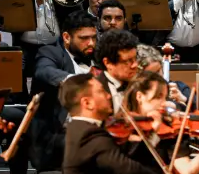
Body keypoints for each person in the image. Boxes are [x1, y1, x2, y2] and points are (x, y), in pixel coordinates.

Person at [30, 10, 98, 172]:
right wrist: (73, 80)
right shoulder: (50, 52)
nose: (91, 43)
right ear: (67, 37)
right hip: (57, 136)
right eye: (84, 38)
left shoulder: (98, 56)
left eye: (93, 38)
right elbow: (43, 70)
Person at [126, 71, 199, 172]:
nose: (164, 103)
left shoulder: (169, 129)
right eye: (158, 97)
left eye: (165, 97)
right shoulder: (123, 127)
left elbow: (187, 170)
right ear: (139, 97)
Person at [59, 73, 155, 174]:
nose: (108, 95)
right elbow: (128, 168)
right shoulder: (89, 135)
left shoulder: (77, 127)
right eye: (101, 91)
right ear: (87, 103)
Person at [94, 28, 140, 112]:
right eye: (127, 61)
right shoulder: (93, 92)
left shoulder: (140, 84)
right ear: (108, 63)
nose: (135, 65)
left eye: (135, 59)